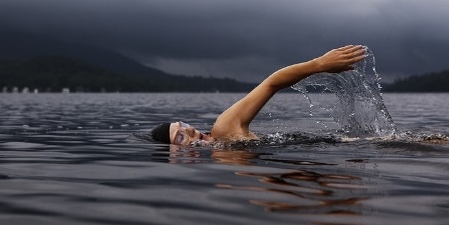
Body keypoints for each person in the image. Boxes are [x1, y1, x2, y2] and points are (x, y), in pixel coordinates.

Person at [151, 45, 367, 145]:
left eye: (183, 125)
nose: (190, 129)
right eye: (180, 136)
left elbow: (271, 84)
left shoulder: (224, 129)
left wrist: (318, 64)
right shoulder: (222, 161)